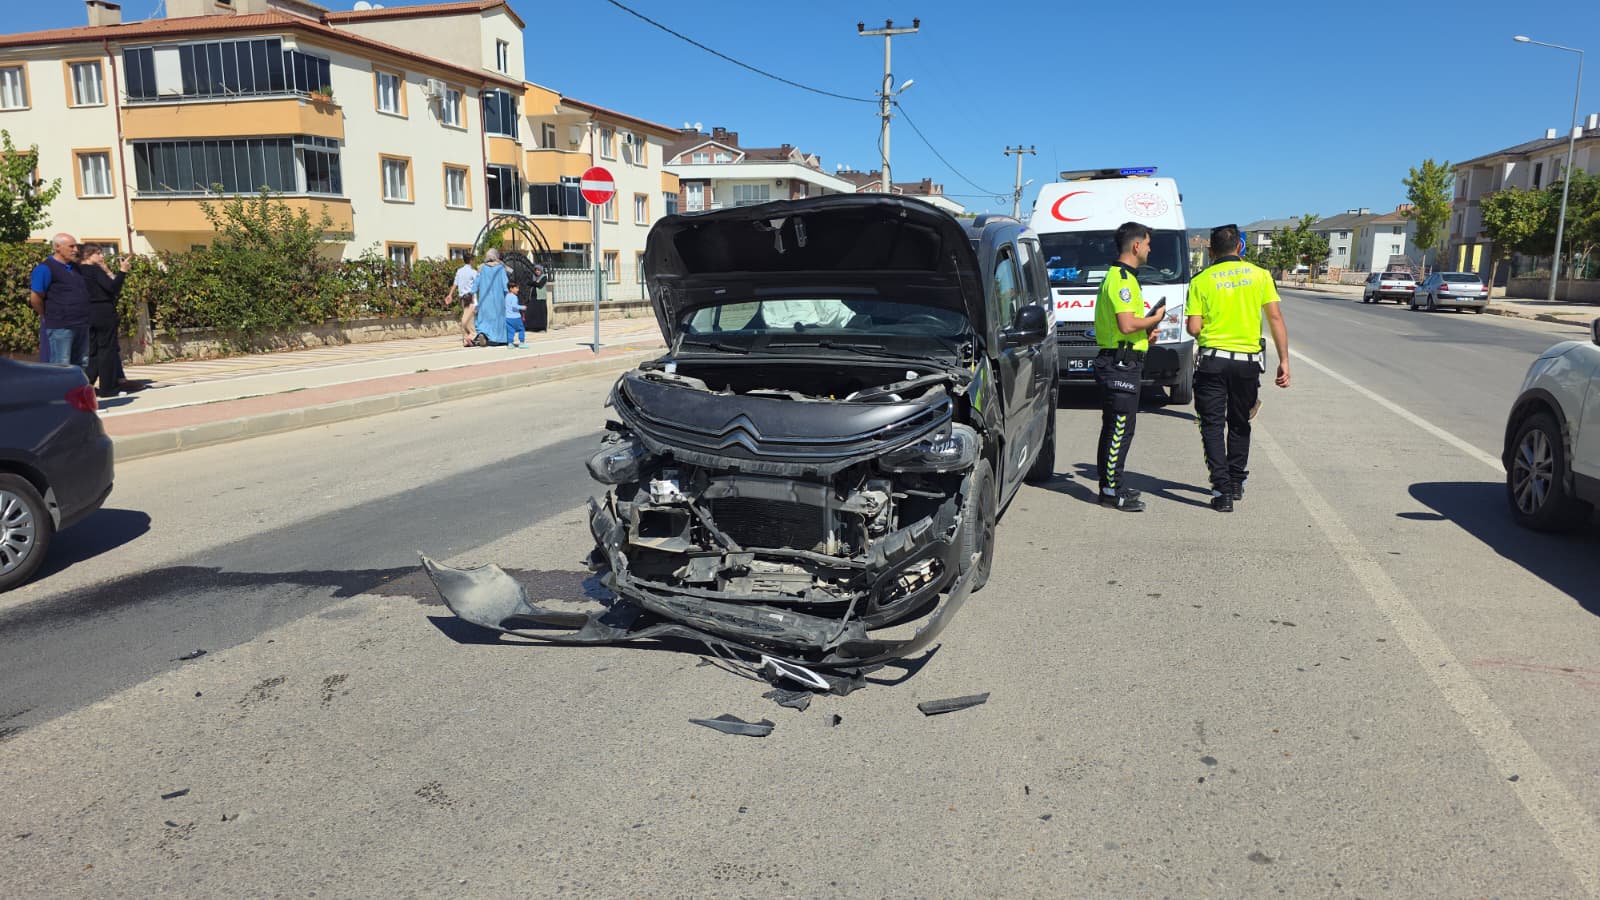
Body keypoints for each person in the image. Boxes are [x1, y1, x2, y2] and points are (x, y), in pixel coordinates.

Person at [1185, 224, 1291, 513]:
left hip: (1213, 362)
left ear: (1211, 251)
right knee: (1240, 422)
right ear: (1240, 247)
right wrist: (1284, 361)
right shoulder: (1260, 275)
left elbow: (1194, 327)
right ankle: (1236, 481)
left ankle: (1221, 491)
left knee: (1212, 425)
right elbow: (1276, 318)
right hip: (1247, 365)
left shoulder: (1201, 280)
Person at [1092, 222, 1169, 512]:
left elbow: (1122, 327)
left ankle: (1114, 484)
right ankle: (1111, 492)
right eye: (1148, 244)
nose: (1149, 249)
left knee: (1117, 428)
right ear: (1136, 246)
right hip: (1119, 366)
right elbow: (1126, 324)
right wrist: (1155, 318)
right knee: (1118, 430)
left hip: (1123, 360)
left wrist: (1145, 334)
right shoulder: (1123, 279)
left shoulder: (1123, 277)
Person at [79, 243, 145, 398]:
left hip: (86, 312)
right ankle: (108, 387)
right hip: (103, 311)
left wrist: (107, 270)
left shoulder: (76, 271)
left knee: (92, 351)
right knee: (107, 350)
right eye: (98, 253)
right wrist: (122, 272)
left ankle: (86, 385)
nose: (102, 256)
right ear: (89, 255)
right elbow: (113, 287)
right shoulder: (94, 270)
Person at [27, 233, 92, 369]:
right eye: (71, 246)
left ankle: (77, 391)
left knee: (81, 364)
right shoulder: (45, 269)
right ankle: (60, 391)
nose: (75, 250)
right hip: (60, 327)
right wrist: (45, 314)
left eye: (76, 246)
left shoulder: (75, 268)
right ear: (57, 247)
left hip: (81, 324)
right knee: (61, 366)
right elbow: (36, 297)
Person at [472, 248, 510, 346]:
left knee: (484, 319)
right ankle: (498, 339)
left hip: (484, 300)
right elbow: (505, 285)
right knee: (498, 319)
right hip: (498, 300)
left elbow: (476, 284)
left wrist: (472, 293)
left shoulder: (481, 268)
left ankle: (483, 334)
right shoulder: (501, 268)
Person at [446, 252, 478, 347]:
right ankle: (471, 336)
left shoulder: (459, 271)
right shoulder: (473, 272)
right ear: (471, 261)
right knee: (468, 319)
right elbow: (478, 284)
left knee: (468, 318)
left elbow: (455, 284)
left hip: (462, 299)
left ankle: (466, 339)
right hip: (470, 298)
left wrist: (450, 294)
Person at [525, 263, 551, 332]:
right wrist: (533, 282)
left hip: (540, 298)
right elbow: (530, 283)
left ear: (541, 271)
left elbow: (539, 285)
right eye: (536, 270)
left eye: (538, 270)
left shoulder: (544, 277)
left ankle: (542, 328)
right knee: (531, 312)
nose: (537, 272)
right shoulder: (534, 277)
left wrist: (532, 283)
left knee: (541, 313)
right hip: (533, 297)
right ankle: (532, 327)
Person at [504, 281, 526, 348]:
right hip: (516, 317)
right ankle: (521, 342)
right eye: (516, 288)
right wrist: (523, 307)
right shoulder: (514, 297)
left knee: (510, 330)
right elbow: (514, 306)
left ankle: (510, 343)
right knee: (521, 329)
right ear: (511, 288)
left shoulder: (507, 296)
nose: (518, 290)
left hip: (508, 317)